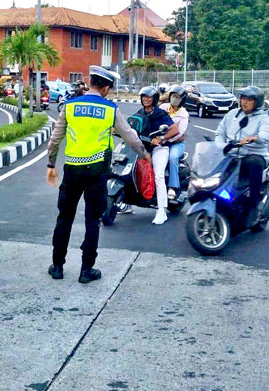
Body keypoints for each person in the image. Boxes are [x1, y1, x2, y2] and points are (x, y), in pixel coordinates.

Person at [46, 66, 151, 283]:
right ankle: (86, 270)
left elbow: (55, 138)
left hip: (72, 169)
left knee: (64, 216)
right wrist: (144, 153)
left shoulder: (70, 105)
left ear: (90, 82)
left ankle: (57, 266)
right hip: (97, 171)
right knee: (92, 220)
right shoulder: (110, 109)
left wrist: (50, 164)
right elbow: (130, 137)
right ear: (104, 88)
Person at [214, 85, 269, 225]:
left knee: (254, 163)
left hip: (253, 153)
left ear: (257, 102)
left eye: (249, 100)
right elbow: (219, 133)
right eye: (243, 99)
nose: (244, 102)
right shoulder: (232, 115)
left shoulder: (263, 118)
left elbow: (267, 132)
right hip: (232, 154)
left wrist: (256, 137)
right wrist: (222, 146)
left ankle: (254, 205)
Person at [131, 86, 180, 225]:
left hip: (159, 148)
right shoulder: (140, 113)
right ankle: (126, 203)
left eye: (148, 97)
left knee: (158, 175)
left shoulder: (161, 114)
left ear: (154, 99)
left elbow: (174, 129)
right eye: (143, 97)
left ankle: (162, 210)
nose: (145, 99)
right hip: (144, 148)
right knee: (130, 168)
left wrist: (161, 138)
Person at [159, 85, 190, 201]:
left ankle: (172, 187)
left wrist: (163, 139)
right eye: (173, 96)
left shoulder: (184, 115)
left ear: (182, 100)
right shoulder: (163, 107)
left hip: (176, 144)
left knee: (172, 158)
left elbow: (179, 133)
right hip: (159, 140)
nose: (174, 99)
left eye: (178, 97)